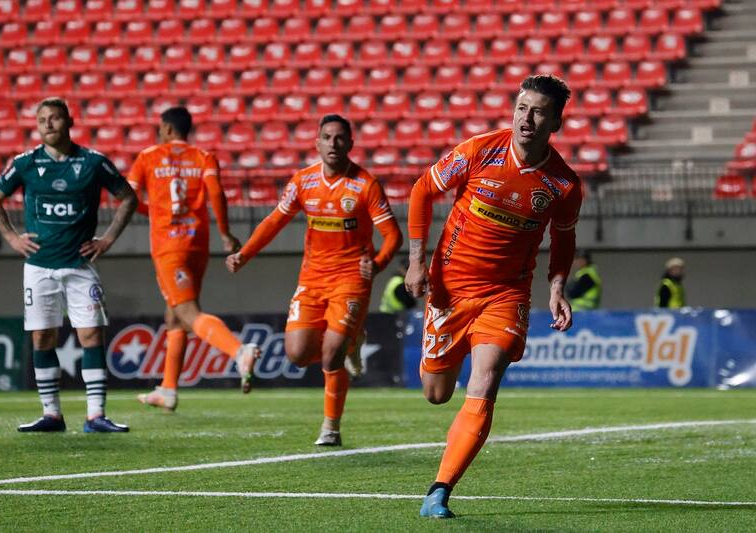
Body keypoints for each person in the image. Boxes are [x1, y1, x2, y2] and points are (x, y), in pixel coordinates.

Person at [405, 75, 583, 518]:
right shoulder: (479, 150)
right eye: (522, 107)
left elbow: (563, 240)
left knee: (484, 381)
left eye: (539, 110)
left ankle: (439, 491)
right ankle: (440, 370)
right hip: (450, 288)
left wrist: (556, 286)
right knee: (436, 393)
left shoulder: (563, 185)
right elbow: (422, 190)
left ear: (555, 121)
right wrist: (415, 258)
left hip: (506, 294)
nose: (528, 117)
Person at [226, 114, 402, 446]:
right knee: (296, 353)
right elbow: (274, 221)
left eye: (340, 138)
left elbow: (392, 235)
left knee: (331, 353)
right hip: (312, 278)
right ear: (316, 143)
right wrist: (244, 254)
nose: (333, 144)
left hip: (351, 278)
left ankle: (331, 427)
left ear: (350, 143)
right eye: (327, 137)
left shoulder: (365, 184)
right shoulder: (302, 181)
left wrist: (377, 264)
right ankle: (353, 341)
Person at [0, 97, 138, 433]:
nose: (48, 124)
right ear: (37, 126)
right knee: (41, 337)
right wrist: (11, 237)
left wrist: (108, 238)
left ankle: (96, 415)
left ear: (70, 121)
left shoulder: (94, 162)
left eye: (54, 118)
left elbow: (128, 196)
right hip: (38, 266)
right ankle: (51, 414)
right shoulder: (25, 163)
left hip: (80, 265)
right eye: (42, 120)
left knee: (91, 334)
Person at [130, 106, 260, 411]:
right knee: (174, 316)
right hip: (198, 244)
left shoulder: (148, 156)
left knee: (188, 312)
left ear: (166, 128)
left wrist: (154, 212)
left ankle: (239, 351)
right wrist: (226, 233)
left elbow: (128, 197)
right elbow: (216, 194)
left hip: (168, 246)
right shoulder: (204, 157)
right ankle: (169, 389)